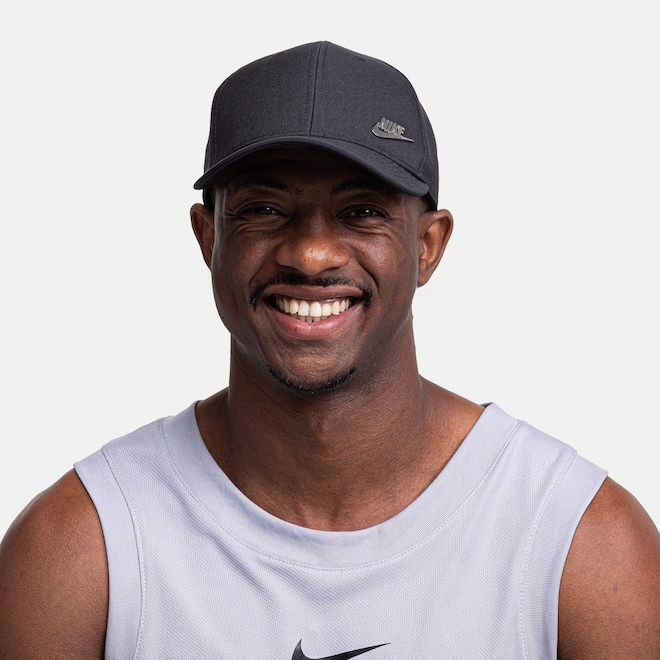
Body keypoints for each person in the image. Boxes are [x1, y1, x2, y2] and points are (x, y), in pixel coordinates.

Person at [0, 41, 658, 660]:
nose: (311, 254)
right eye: (264, 208)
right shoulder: (83, 547)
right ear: (207, 238)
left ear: (427, 246)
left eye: (362, 211)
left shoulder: (580, 541)